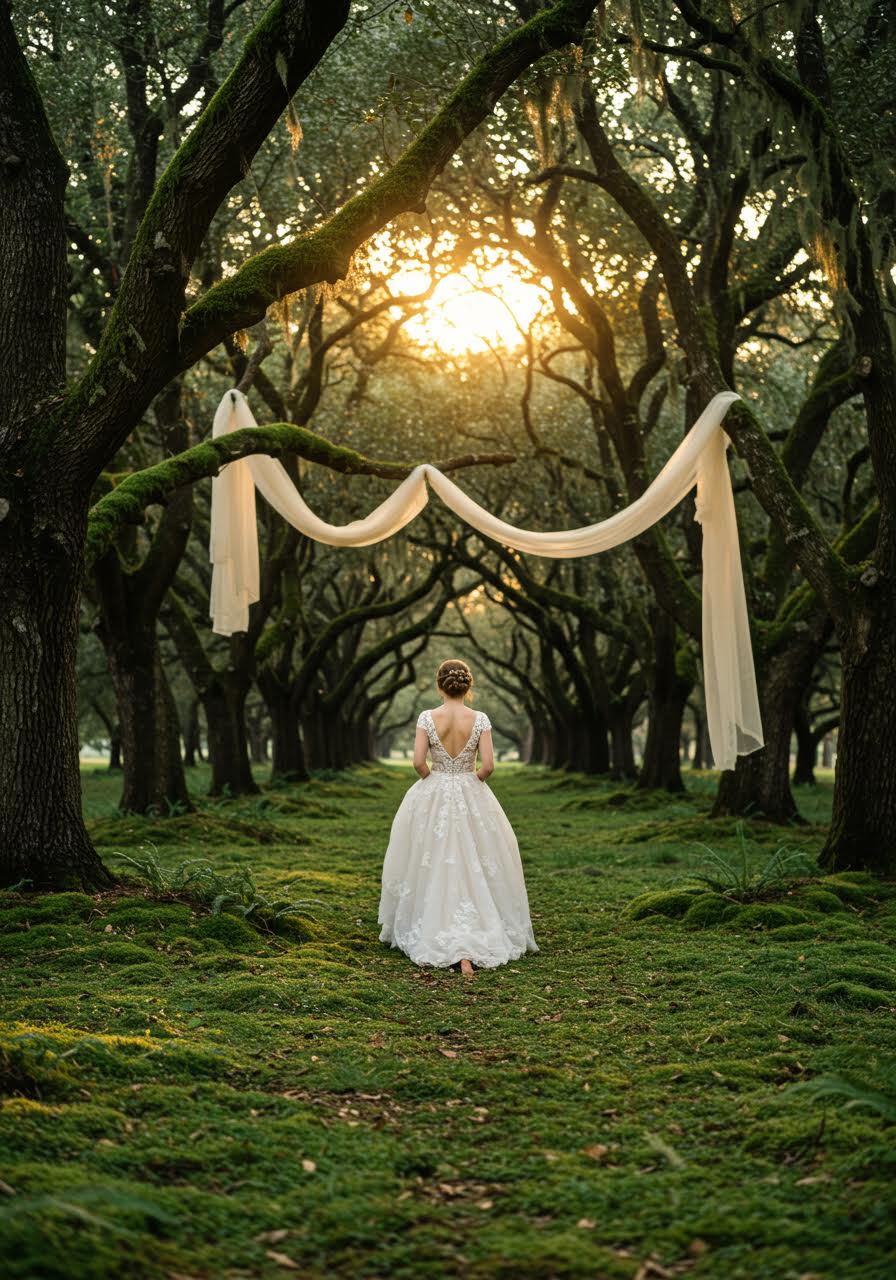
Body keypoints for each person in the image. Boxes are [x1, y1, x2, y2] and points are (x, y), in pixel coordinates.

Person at [378, 659, 538, 977]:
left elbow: (417, 762)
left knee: (431, 856)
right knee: (475, 857)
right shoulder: (479, 719)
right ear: (469, 686)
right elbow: (489, 765)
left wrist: (433, 778)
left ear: (440, 685)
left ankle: (433, 924)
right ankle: (478, 932)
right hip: (470, 788)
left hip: (434, 788)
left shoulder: (427, 717)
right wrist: (471, 780)